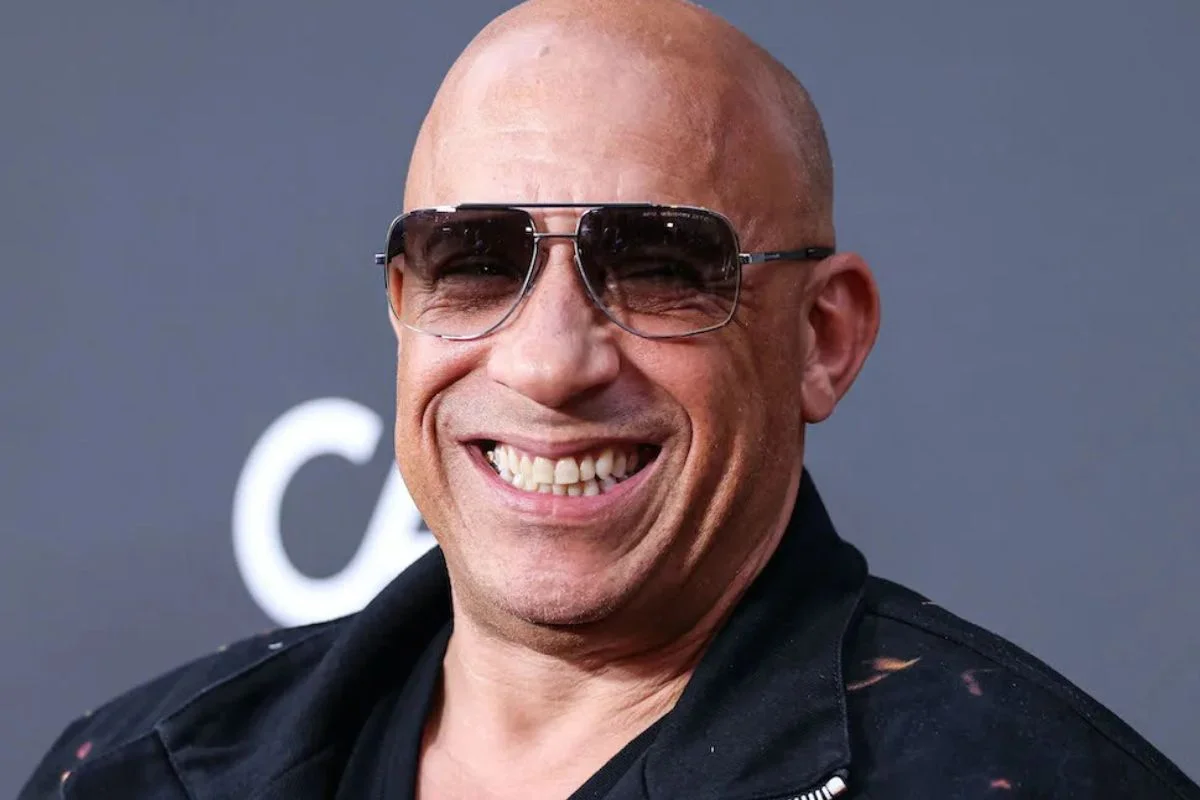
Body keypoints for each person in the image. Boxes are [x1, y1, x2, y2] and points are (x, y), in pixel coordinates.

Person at [21, 0, 1200, 797]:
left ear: (823, 338)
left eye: (660, 265)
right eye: (475, 259)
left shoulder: (1022, 775)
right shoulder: (136, 770)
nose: (548, 362)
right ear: (401, 307)